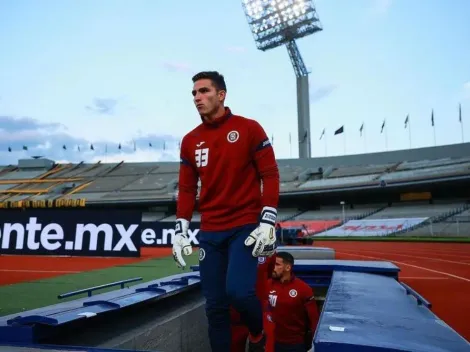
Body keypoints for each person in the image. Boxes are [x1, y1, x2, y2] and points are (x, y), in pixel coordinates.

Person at [172, 71, 280, 352]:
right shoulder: (189, 140)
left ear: (221, 95)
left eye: (204, 91)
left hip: (245, 226)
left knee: (239, 293)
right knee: (215, 307)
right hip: (210, 231)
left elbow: (270, 174)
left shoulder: (249, 128)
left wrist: (268, 219)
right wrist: (181, 227)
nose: (197, 97)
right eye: (194, 93)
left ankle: (257, 334)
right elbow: (186, 189)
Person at [267, 251, 319, 352]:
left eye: (277, 264)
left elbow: (314, 319)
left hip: (294, 345)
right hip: (271, 341)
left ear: (288, 268)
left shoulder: (303, 289)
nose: (273, 267)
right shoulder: (267, 285)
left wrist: (314, 343)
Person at [230, 254, 277, 352]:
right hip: (236, 311)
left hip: (261, 310)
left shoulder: (266, 247)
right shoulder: (229, 247)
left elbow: (269, 273)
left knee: (264, 346)